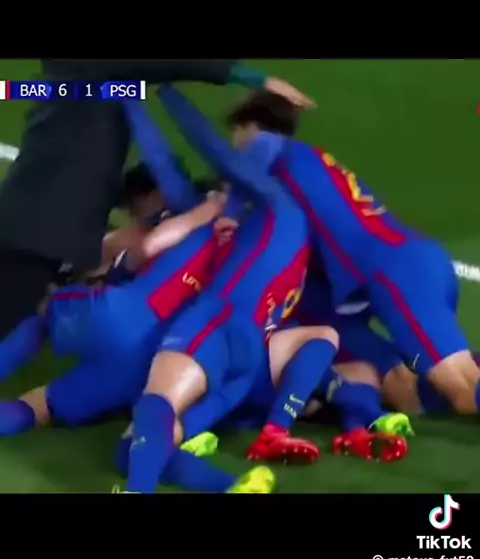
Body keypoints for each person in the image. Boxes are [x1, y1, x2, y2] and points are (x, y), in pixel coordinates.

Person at [0, 60, 314, 343]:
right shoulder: (93, 74)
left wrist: (163, 94)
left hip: (42, 224)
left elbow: (146, 94)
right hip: (43, 229)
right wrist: (258, 80)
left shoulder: (85, 80)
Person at [122, 88, 338, 494]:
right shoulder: (291, 222)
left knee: (152, 414)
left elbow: (187, 153)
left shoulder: (260, 205)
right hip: (251, 356)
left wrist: (146, 90)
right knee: (151, 442)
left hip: (214, 323)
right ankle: (235, 481)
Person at [224, 91, 480, 416]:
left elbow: (260, 147)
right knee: (425, 384)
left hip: (394, 274)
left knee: (463, 387)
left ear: (249, 127)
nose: (233, 145)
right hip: (409, 264)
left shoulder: (273, 150)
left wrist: (228, 211)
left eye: (235, 132)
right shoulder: (307, 165)